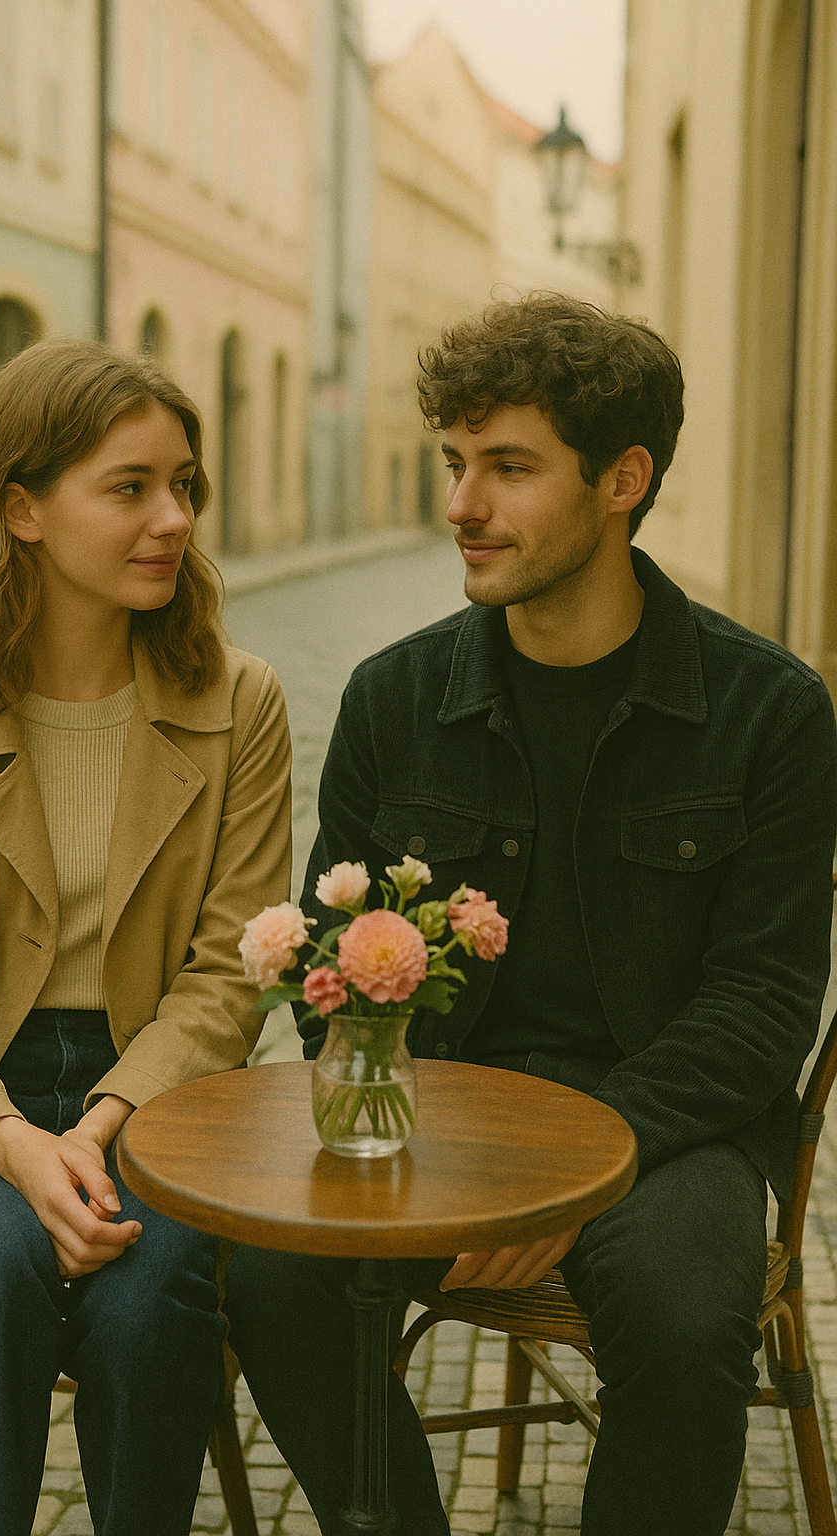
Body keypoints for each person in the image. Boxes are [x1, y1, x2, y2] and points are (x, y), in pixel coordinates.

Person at [225, 293, 837, 1535]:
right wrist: (411, 1122)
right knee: (270, 1277)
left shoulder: (767, 712)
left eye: (508, 468)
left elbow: (765, 1002)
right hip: (437, 1110)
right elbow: (329, 971)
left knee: (679, 1321)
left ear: (624, 478)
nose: (461, 505)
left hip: (668, 1126)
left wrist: (567, 1171)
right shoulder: (393, 699)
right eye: (457, 463)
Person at [0, 339, 291, 1535]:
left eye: (184, 485)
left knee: (156, 1287)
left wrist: (107, 1124)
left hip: (160, 1097)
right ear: (19, 508)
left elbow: (230, 973)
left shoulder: (241, 702)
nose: (172, 519)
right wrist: (23, 1149)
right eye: (128, 488)